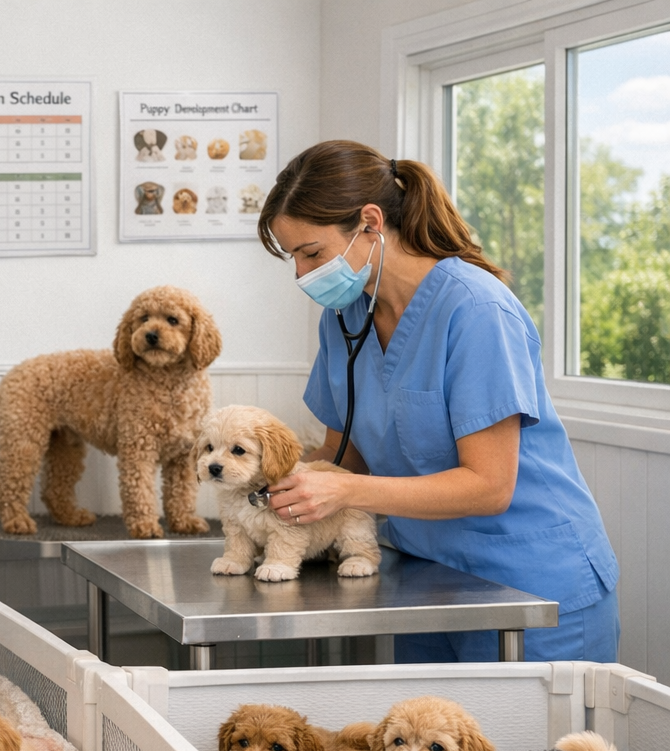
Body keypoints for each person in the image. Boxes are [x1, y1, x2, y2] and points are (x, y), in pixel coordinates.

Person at [256, 140, 619, 663]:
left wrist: (344, 491)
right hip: (425, 578)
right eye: (294, 258)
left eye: (311, 253)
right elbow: (345, 457)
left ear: (371, 223)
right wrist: (276, 484)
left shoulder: (476, 310)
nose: (302, 275)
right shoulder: (345, 318)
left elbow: (490, 486)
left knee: (530, 748)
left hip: (531, 587)